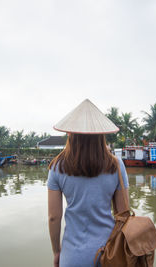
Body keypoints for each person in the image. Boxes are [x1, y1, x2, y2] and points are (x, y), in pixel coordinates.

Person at [47, 99, 129, 267]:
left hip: (72, 257)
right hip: (110, 254)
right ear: (101, 135)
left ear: (70, 133)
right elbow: (123, 214)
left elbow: (54, 218)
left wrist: (57, 252)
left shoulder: (57, 166)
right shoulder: (116, 164)